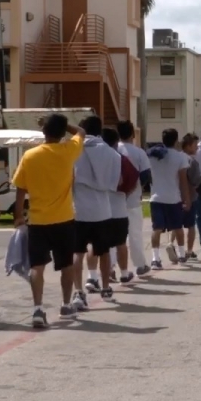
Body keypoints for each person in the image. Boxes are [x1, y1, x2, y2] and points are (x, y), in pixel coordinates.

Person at [13, 114, 85, 328]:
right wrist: (63, 126)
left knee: (37, 266)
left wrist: (18, 215)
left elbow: (20, 190)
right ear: (62, 133)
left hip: (37, 219)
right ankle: (65, 304)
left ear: (43, 132)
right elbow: (81, 132)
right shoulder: (68, 151)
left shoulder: (30, 156)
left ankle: (37, 309)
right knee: (66, 265)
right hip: (63, 218)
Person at [74, 116, 122, 305]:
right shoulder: (111, 154)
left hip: (79, 208)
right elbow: (116, 183)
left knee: (77, 252)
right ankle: (105, 287)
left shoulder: (74, 149)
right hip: (102, 209)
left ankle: (78, 291)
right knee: (103, 252)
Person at [148, 128, 192, 269]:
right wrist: (187, 198)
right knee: (178, 227)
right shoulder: (180, 157)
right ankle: (181, 254)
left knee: (157, 229)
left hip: (156, 197)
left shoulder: (153, 156)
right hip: (173, 197)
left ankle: (155, 259)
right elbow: (183, 180)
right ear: (176, 140)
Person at [100, 127, 137, 284]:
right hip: (119, 207)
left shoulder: (94, 158)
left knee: (101, 246)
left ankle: (101, 274)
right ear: (116, 142)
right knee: (121, 243)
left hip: (100, 208)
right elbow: (133, 180)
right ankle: (123, 273)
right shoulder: (121, 159)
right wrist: (125, 194)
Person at [116, 121, 152, 276]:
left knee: (114, 237)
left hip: (113, 199)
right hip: (133, 199)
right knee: (135, 234)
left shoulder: (112, 149)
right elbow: (145, 176)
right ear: (132, 134)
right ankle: (140, 265)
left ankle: (110, 268)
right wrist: (138, 188)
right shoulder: (139, 153)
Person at [178, 133, 201, 259]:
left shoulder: (175, 157)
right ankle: (189, 250)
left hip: (174, 197)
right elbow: (196, 180)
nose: (197, 148)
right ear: (188, 146)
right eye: (195, 145)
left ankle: (173, 245)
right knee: (191, 225)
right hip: (190, 196)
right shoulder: (191, 161)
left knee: (176, 224)